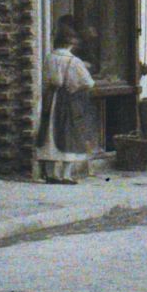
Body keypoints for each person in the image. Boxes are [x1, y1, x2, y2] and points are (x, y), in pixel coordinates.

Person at [37, 23, 96, 184]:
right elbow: (89, 82)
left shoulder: (49, 57)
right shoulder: (74, 61)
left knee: (48, 133)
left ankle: (50, 173)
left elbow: (45, 79)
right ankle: (66, 174)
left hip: (50, 99)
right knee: (68, 133)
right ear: (71, 43)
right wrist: (74, 86)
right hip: (67, 100)